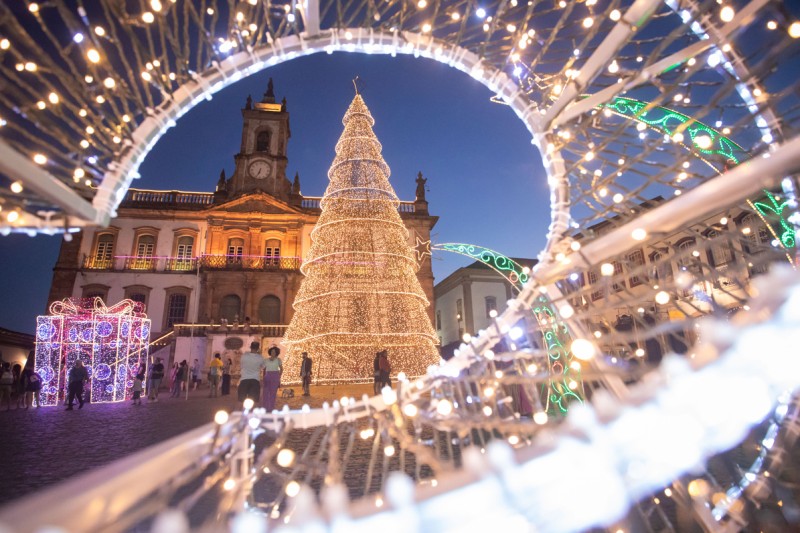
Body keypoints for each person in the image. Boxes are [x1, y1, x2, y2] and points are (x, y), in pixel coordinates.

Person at [262, 345, 283, 411]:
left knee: (273, 393)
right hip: (267, 375)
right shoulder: (266, 360)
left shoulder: (278, 360)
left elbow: (281, 369)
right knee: (266, 392)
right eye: (271, 351)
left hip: (275, 376)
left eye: (274, 352)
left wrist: (279, 376)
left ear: (276, 353)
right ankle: (266, 406)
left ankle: (271, 406)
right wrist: (264, 377)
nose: (272, 353)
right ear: (270, 352)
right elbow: (264, 369)